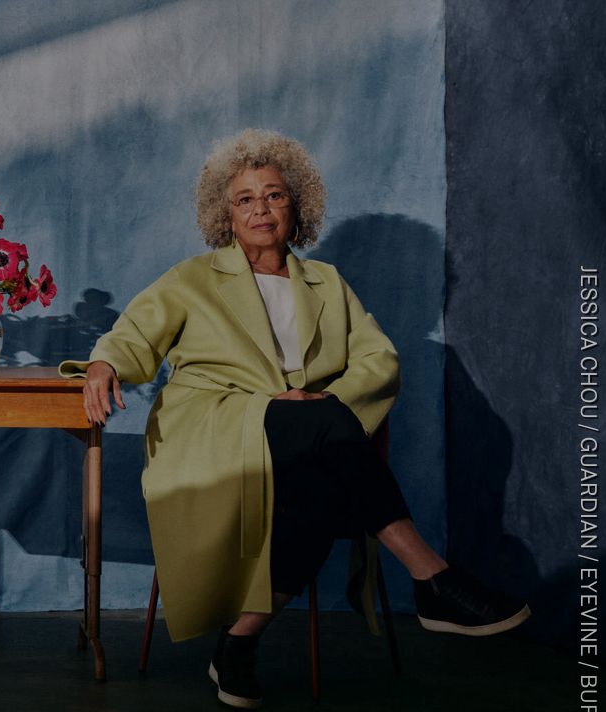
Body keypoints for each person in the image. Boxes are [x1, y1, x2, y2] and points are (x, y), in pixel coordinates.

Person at [59, 129, 530, 710]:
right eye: (245, 199)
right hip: (214, 428)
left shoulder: (326, 283)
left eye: (274, 195)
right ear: (226, 215)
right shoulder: (193, 278)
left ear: (296, 206)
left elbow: (379, 360)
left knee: (326, 483)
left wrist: (321, 401)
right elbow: (134, 334)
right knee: (329, 436)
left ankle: (238, 643)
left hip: (307, 437)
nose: (261, 209)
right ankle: (434, 578)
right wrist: (104, 363)